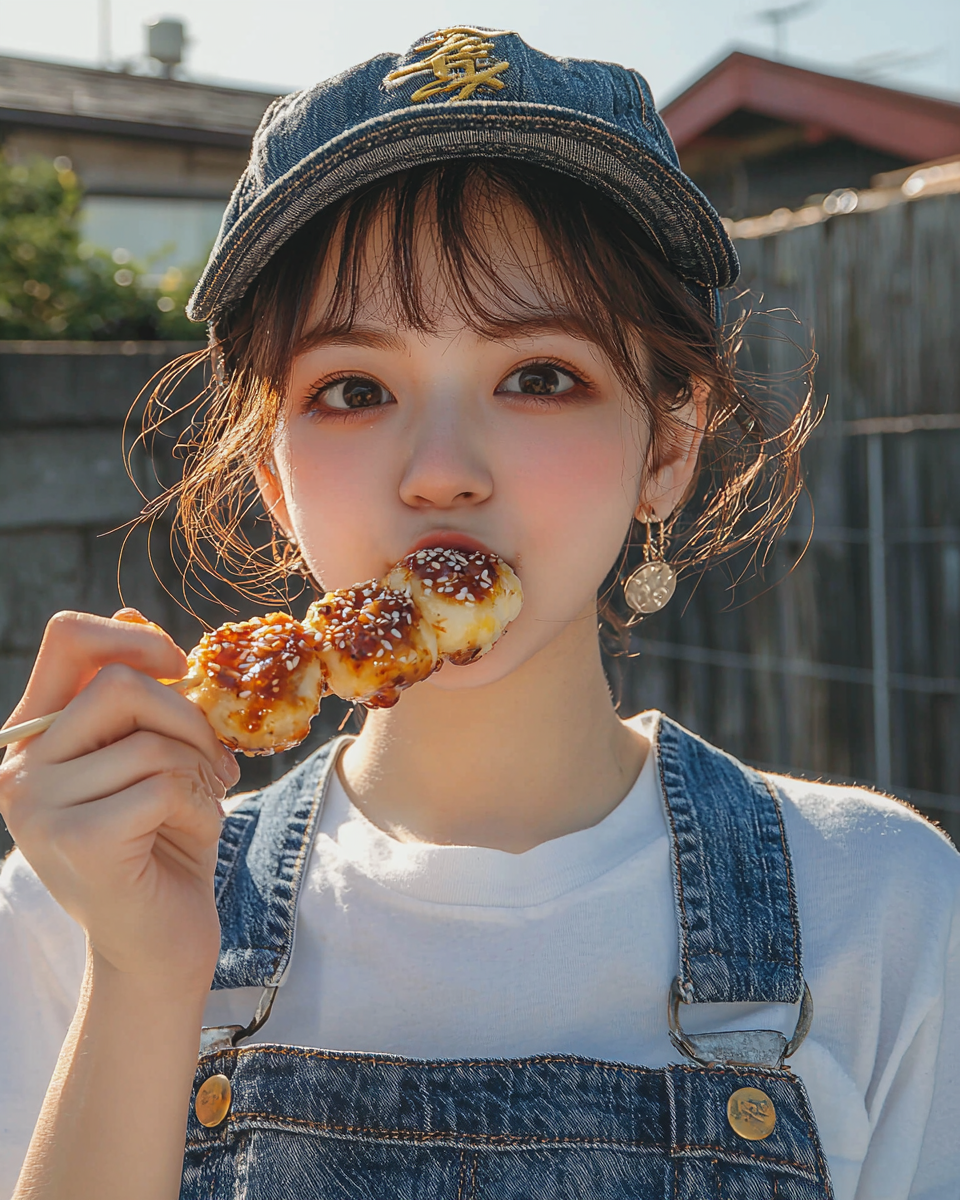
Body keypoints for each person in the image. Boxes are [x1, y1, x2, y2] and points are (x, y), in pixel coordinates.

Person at [1, 26, 958, 1200]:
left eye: (539, 375)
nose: (441, 471)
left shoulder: (881, 909)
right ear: (270, 477)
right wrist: (145, 979)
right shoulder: (79, 904)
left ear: (667, 445)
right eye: (353, 390)